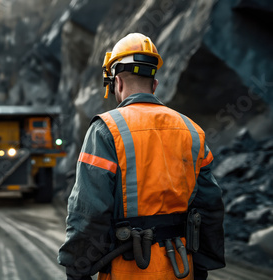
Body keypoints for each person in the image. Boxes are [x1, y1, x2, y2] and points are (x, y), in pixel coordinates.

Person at [58, 33, 225, 280]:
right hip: (181, 267)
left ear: (117, 83)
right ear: (154, 84)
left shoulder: (106, 130)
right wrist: (201, 265)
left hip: (128, 269)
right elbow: (210, 205)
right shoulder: (192, 131)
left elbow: (89, 210)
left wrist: (76, 269)